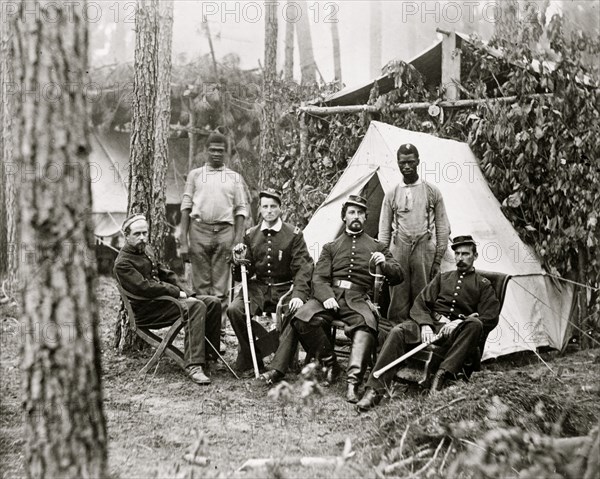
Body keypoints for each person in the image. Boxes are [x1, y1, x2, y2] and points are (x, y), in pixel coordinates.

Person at [356, 235, 500, 411]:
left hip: (456, 335)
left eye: (466, 254)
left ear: (475, 256)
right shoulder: (443, 278)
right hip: (431, 326)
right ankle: (374, 390)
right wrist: (425, 324)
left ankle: (442, 374)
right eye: (457, 254)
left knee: (475, 325)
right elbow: (420, 303)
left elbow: (490, 317)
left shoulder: (483, 285)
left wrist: (460, 322)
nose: (460, 258)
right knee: (398, 331)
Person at [283, 195, 403, 403]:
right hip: (330, 296)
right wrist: (327, 296)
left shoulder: (378, 247)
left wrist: (384, 264)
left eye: (360, 213)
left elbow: (398, 276)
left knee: (366, 325)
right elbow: (319, 277)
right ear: (344, 217)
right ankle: (331, 363)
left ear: (366, 217)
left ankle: (352, 383)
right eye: (351, 212)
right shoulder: (331, 247)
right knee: (302, 317)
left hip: (357, 299)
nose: (356, 217)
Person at [114, 214, 222, 385]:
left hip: (161, 303)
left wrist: (188, 292)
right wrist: (176, 293)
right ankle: (194, 365)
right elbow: (145, 287)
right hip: (147, 312)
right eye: (137, 234)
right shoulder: (123, 263)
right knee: (195, 307)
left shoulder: (146, 249)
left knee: (213, 303)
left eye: (145, 232)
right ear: (126, 236)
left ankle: (210, 356)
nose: (142, 237)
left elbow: (165, 273)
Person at [228, 188, 313, 377]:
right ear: (259, 209)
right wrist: (237, 260)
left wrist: (298, 295)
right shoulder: (251, 234)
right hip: (257, 288)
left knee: (295, 312)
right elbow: (243, 273)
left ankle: (278, 367)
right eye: (265, 207)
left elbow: (303, 269)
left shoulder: (293, 234)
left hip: (285, 288)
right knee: (234, 310)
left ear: (280, 209)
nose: (269, 211)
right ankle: (253, 360)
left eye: (273, 207)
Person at [179, 132, 248, 328]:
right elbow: (185, 207)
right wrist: (183, 242)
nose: (216, 154)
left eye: (220, 150)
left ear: (226, 153)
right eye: (213, 150)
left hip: (225, 233)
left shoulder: (234, 178)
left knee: (220, 288)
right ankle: (200, 331)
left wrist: (237, 240)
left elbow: (241, 210)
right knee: (200, 287)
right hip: (199, 231)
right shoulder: (195, 175)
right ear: (205, 151)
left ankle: (219, 333)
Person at [379, 143, 451, 324]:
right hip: (398, 250)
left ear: (418, 161)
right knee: (398, 299)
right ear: (397, 163)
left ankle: (422, 340)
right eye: (402, 163)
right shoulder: (391, 194)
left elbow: (443, 228)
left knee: (423, 297)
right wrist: (386, 260)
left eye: (411, 162)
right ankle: (397, 339)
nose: (407, 167)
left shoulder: (432, 191)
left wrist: (437, 258)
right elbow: (384, 231)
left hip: (424, 249)